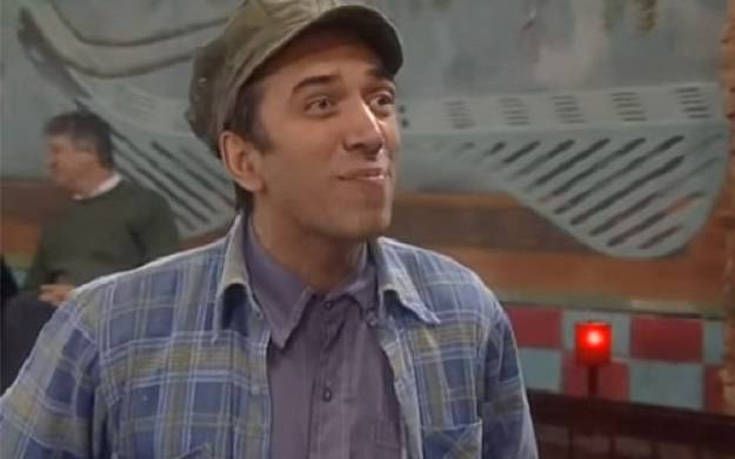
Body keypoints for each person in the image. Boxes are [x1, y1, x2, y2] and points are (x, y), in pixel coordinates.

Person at [0, 1, 537, 457]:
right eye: (321, 103)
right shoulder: (108, 331)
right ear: (244, 159)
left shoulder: (464, 317)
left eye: (381, 100)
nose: (371, 133)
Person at [0, 110, 179, 392]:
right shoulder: (59, 219)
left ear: (89, 153)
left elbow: (167, 280)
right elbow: (34, 285)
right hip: (52, 316)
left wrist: (86, 296)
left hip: (116, 315)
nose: (49, 162)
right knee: (20, 309)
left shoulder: (145, 205)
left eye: (57, 151)